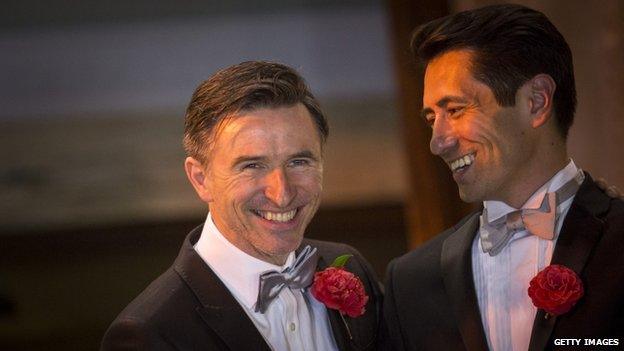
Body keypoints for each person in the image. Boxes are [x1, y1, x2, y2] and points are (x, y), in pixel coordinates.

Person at [383, 4, 624, 351]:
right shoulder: (411, 281)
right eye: (431, 118)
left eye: (455, 110)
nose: (438, 143)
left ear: (536, 102)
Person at [101, 61, 382, 351]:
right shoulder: (148, 334)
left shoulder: (352, 267)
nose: (282, 193)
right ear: (201, 179)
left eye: (299, 162)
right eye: (252, 166)